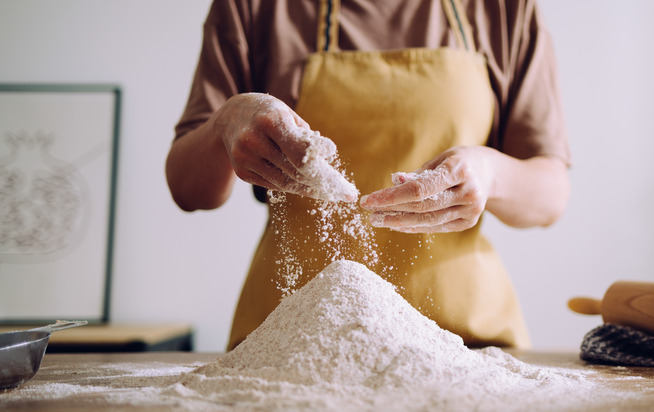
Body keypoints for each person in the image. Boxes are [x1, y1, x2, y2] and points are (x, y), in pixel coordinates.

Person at [166, 0, 571, 351]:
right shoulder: (254, 7)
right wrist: (227, 122)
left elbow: (551, 193)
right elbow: (187, 189)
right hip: (291, 343)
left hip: (465, 343)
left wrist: (490, 174)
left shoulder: (501, 8)